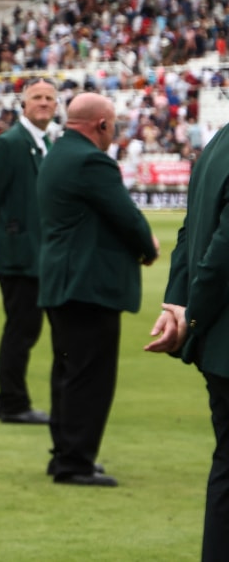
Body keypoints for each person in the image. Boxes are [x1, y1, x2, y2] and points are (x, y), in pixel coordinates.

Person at [38, 92, 158, 487]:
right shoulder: (92, 161)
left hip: (61, 279)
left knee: (68, 372)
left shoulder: (56, 154)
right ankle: (76, 462)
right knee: (90, 376)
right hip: (88, 283)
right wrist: (147, 245)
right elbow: (125, 214)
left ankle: (66, 454)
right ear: (102, 125)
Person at [146, 105, 229, 557]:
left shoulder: (216, 145)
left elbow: (189, 233)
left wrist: (180, 308)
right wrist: (191, 313)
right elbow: (220, 253)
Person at [0, 78, 57, 424]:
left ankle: (12, 400)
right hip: (17, 252)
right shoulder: (10, 143)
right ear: (24, 104)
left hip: (35, 251)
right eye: (37, 97)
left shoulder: (45, 142)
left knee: (25, 328)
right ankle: (11, 402)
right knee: (21, 328)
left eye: (50, 98)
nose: (43, 103)